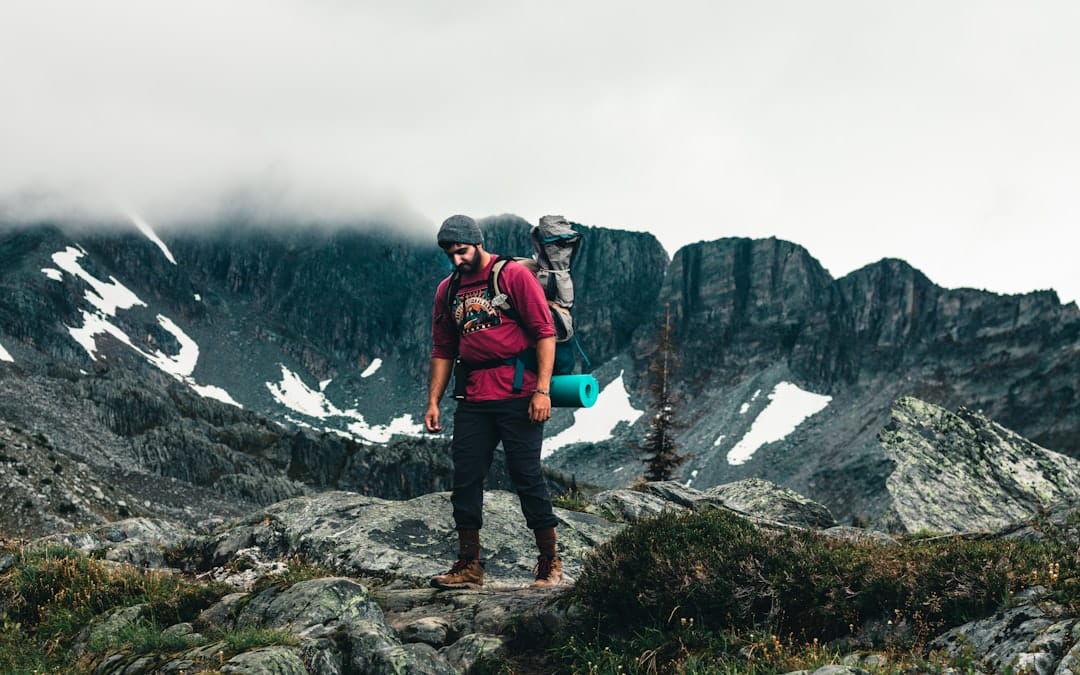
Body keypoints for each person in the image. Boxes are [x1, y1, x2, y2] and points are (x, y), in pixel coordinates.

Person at [424, 214, 563, 589]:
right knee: (466, 476)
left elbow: (544, 332)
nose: (456, 260)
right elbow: (443, 349)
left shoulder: (513, 276)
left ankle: (549, 562)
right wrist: (433, 401)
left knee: (526, 474)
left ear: (478, 242)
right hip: (473, 396)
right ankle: (469, 564)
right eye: (450, 254)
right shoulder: (447, 290)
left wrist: (542, 391)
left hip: (519, 394)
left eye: (462, 251)